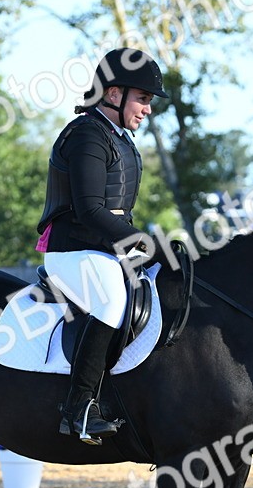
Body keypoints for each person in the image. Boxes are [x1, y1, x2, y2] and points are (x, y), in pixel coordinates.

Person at [35, 48, 167, 444]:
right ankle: (78, 409)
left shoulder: (120, 139)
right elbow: (92, 210)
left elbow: (118, 214)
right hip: (72, 250)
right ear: (113, 94)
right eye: (142, 99)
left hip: (106, 249)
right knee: (111, 302)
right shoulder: (86, 135)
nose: (147, 109)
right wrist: (143, 242)